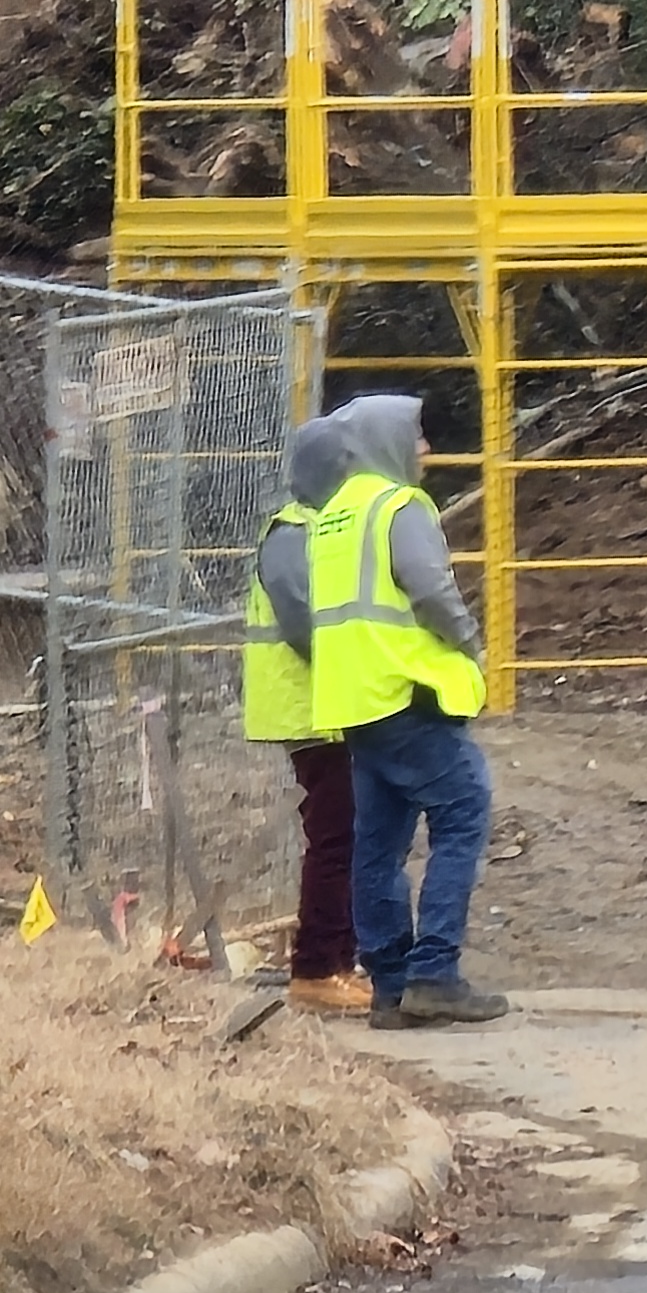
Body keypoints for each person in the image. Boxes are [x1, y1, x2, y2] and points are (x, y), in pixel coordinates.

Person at [296, 390, 506, 1025]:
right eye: (416, 437)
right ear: (388, 442)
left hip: (355, 701)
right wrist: (472, 644)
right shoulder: (398, 505)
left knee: (377, 843)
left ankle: (389, 984)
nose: (425, 450)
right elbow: (433, 590)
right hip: (405, 692)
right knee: (464, 809)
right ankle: (434, 972)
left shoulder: (333, 515)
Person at [239, 406, 373, 1018]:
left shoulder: (320, 527)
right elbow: (304, 623)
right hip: (312, 710)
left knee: (345, 835)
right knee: (335, 838)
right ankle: (318, 967)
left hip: (330, 707)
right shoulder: (294, 533)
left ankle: (338, 959)